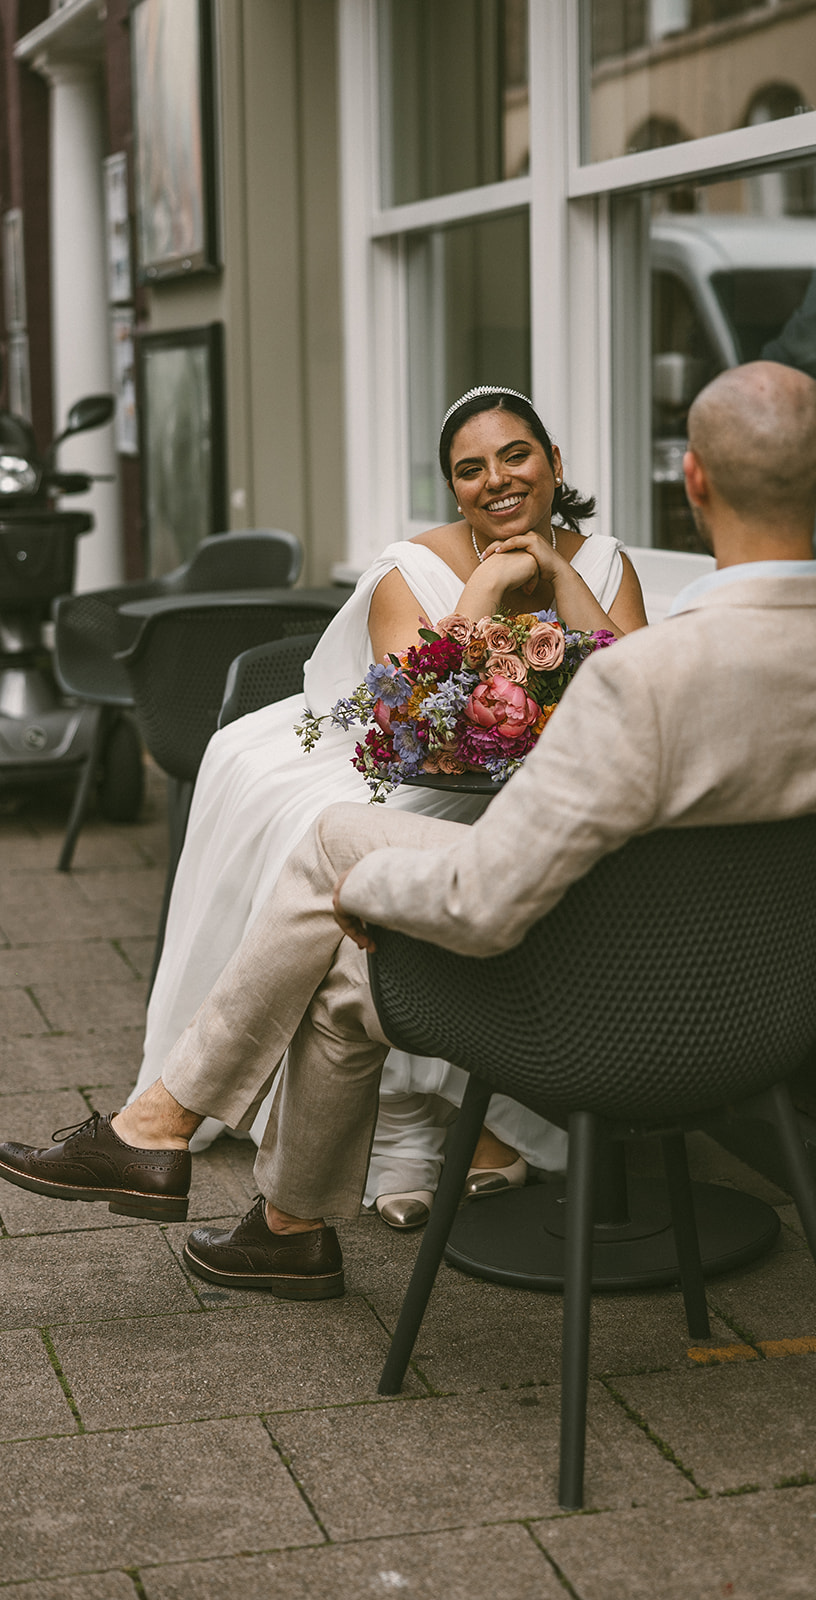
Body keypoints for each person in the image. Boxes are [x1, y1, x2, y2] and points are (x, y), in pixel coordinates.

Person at [0, 361, 816, 1299]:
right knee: (341, 915)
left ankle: (159, 1127)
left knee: (337, 858)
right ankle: (280, 1227)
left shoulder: (637, 677)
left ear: (691, 479)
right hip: (761, 1003)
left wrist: (369, 895)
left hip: (597, 1000)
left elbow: (485, 906)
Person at [127, 385, 648, 1229]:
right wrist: (483, 590)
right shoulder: (411, 570)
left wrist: (554, 573)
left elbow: (635, 687)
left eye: (515, 455)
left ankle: (418, 1125)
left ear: (553, 462)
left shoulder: (604, 562)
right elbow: (415, 726)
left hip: (551, 781)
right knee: (367, 858)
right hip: (406, 763)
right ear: (453, 490)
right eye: (469, 470)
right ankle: (404, 1124)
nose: (496, 480)